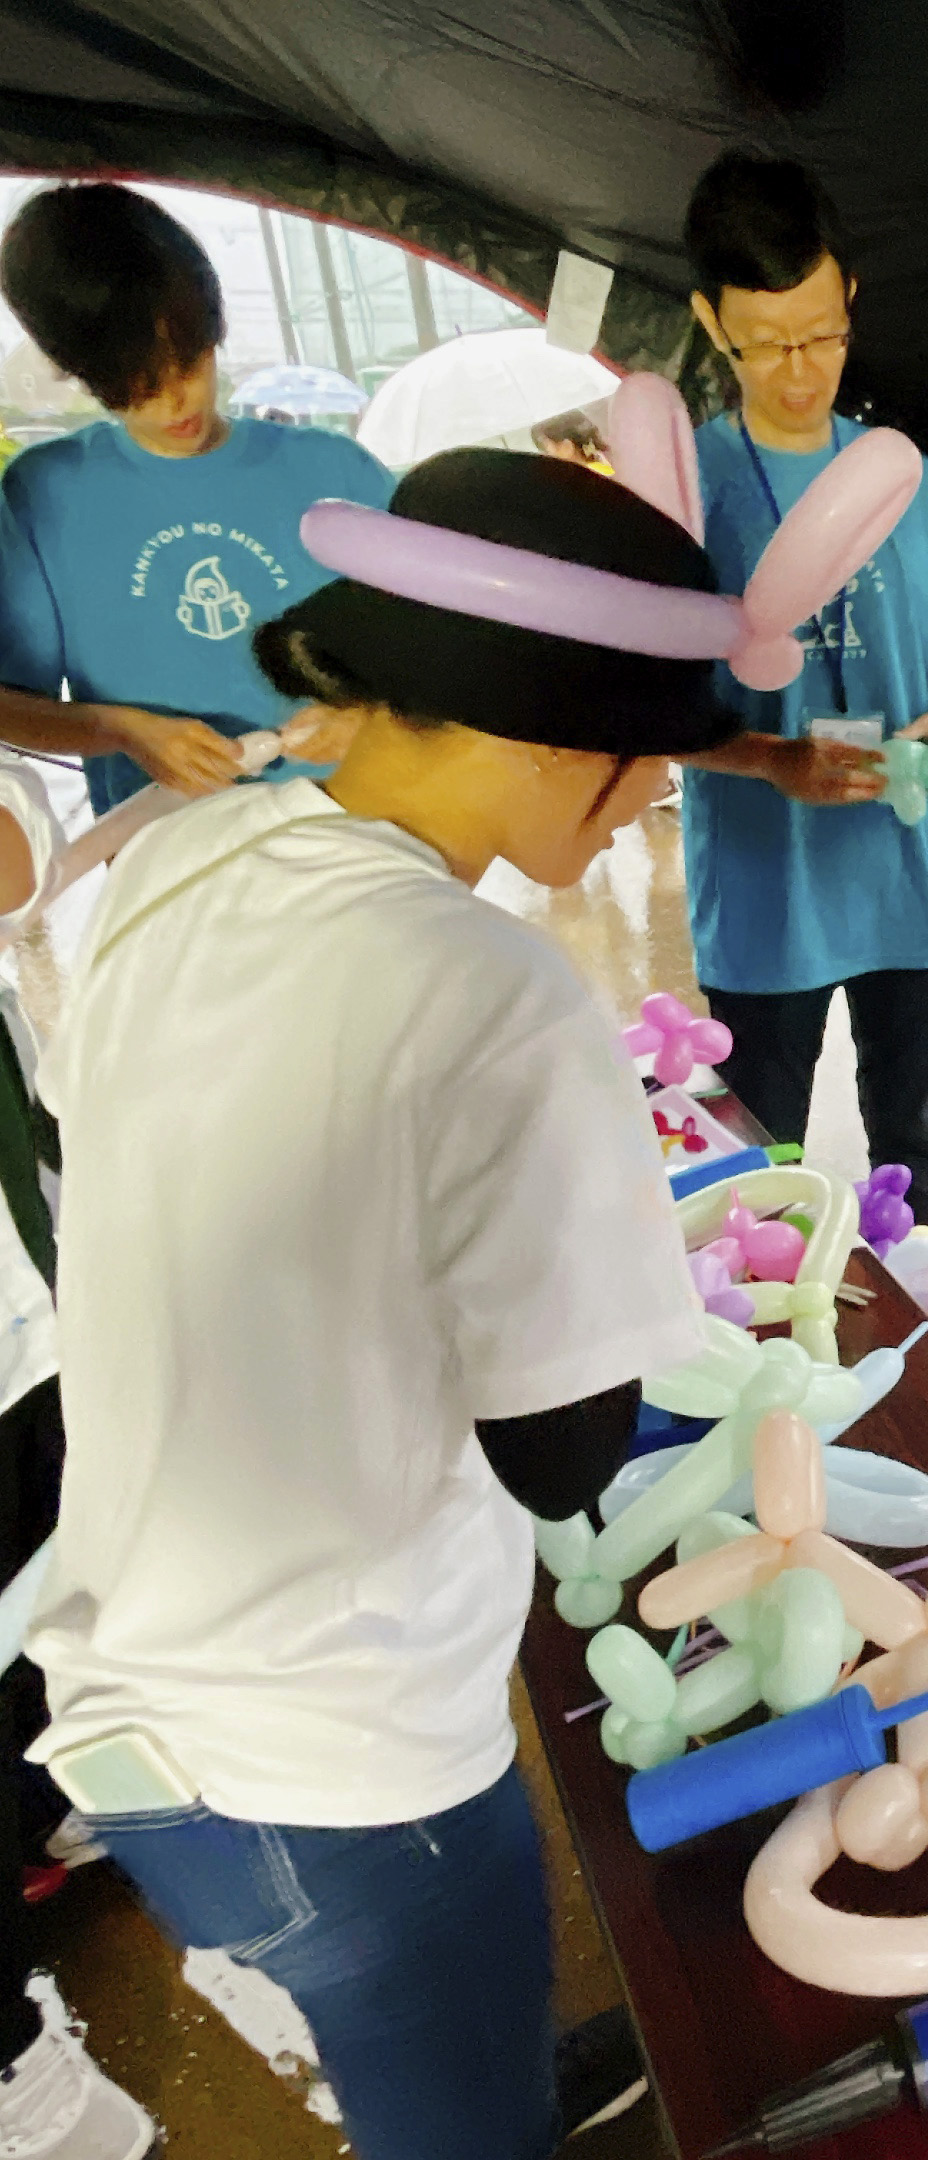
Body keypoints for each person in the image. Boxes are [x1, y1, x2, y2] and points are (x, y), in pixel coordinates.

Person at [24, 448, 729, 2159]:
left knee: (439, 2055)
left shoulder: (178, 861)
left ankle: (471, 2070)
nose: (650, 807)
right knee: (454, 2114)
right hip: (341, 1772)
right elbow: (561, 1453)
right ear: (561, 735)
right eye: (650, 769)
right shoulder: (491, 995)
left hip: (143, 1693)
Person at [674, 154, 928, 1226]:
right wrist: (772, 759)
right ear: (710, 322)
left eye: (821, 333)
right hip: (766, 907)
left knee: (910, 1149)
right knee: (755, 1170)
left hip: (905, 896)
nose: (800, 369)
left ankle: (918, 1363)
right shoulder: (689, 492)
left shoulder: (913, 482)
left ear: (851, 299)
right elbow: (639, 699)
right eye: (767, 343)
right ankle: (777, 1368)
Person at [0, 183, 393, 812]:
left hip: (348, 827)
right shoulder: (44, 495)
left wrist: (366, 719)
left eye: (188, 362)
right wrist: (126, 729)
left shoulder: (335, 472)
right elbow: (11, 705)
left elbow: (436, 648)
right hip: (165, 850)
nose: (175, 401)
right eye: (137, 385)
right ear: (77, 370)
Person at [0, 753, 157, 2159]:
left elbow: (18, 866)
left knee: (61, 1565)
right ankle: (14, 2082)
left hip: (23, 1292)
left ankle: (57, 1806)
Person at [532, 408, 611, 469]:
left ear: (567, 447)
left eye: (547, 451)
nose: (545, 459)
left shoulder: (592, 478)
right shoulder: (603, 467)